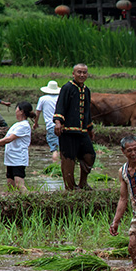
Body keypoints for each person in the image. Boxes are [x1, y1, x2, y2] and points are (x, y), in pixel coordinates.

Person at [53, 63, 96, 191]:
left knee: (90, 156)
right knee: (68, 159)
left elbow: (87, 111)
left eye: (84, 72)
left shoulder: (86, 90)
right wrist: (58, 122)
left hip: (82, 131)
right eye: (79, 72)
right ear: (73, 74)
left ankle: (83, 182)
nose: (82, 75)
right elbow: (60, 105)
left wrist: (89, 127)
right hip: (68, 131)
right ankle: (70, 187)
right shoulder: (67, 88)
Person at [0, 102, 36, 193]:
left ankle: (30, 200)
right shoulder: (17, 124)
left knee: (19, 184)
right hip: (11, 159)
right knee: (10, 184)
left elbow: (9, 139)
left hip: (18, 159)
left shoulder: (24, 125)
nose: (15, 112)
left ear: (21, 111)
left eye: (17, 109)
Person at [35, 80, 61, 162]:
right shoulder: (60, 98)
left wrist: (35, 123)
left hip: (51, 126)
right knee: (61, 147)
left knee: (54, 149)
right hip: (61, 125)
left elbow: (37, 112)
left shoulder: (43, 99)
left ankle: (55, 166)